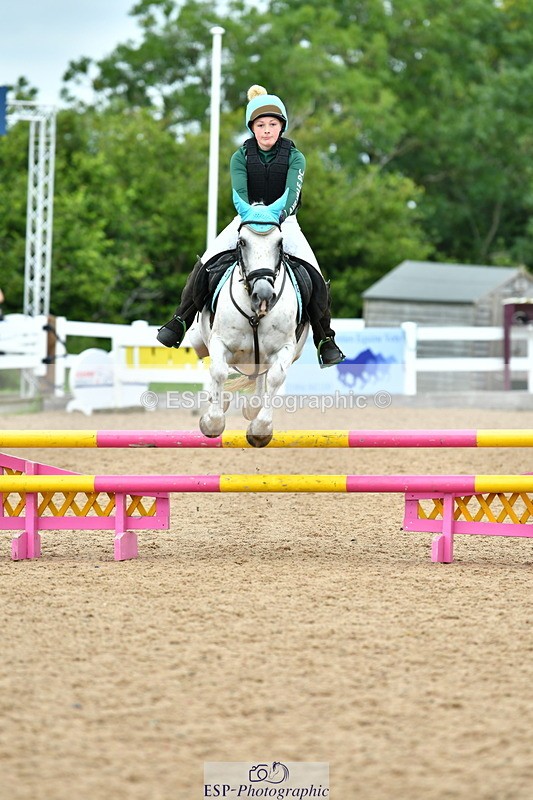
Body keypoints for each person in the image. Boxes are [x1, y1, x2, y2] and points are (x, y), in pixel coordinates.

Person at [157, 85, 345, 367]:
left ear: (281, 126)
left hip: (284, 221)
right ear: (252, 128)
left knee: (315, 274)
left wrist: (277, 217)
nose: (266, 130)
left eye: (272, 124)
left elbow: (292, 195)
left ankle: (324, 339)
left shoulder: (295, 157)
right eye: (260, 125)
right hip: (246, 218)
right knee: (206, 263)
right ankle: (180, 320)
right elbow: (239, 195)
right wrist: (251, 216)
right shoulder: (240, 157)